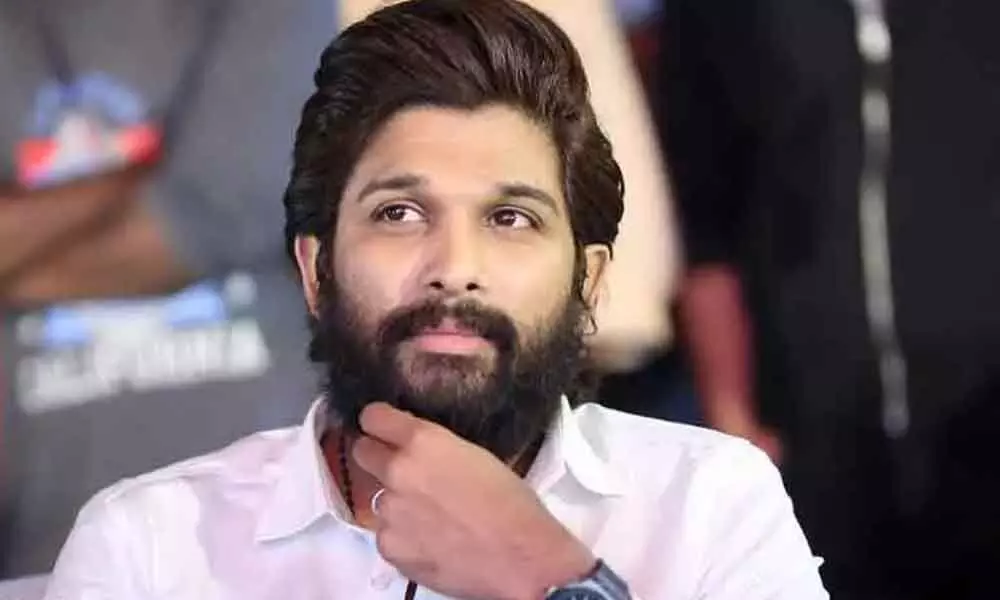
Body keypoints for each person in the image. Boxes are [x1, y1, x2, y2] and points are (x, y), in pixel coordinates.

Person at [44, 1, 828, 598]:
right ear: (316, 272)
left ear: (589, 281)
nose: (454, 268)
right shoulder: (150, 547)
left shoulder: (709, 504)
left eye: (510, 218)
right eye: (399, 213)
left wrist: (550, 578)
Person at [661, 0, 1000, 598]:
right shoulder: (722, 14)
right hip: (808, 425)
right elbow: (705, 219)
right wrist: (731, 418)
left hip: (981, 414)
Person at [0, 0, 334, 576]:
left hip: (278, 541)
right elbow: (212, 205)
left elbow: (230, 207)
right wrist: (160, 180)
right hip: (43, 550)